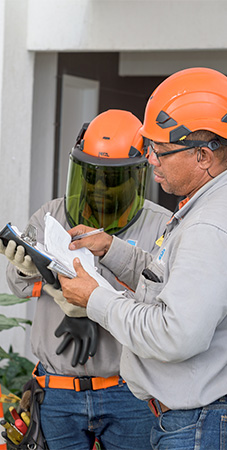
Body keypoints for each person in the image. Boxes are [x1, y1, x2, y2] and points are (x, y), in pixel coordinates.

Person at [57, 68, 227, 450]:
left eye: (161, 151)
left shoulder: (209, 226)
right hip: (193, 420)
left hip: (196, 425)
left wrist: (96, 300)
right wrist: (110, 248)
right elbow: (172, 279)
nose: (150, 160)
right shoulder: (206, 208)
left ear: (203, 155)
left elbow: (174, 334)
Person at [2, 109, 172, 450]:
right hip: (57, 393)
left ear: (138, 176)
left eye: (111, 180)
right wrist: (27, 268)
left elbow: (166, 305)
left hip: (129, 392)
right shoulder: (51, 215)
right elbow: (18, 285)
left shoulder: (162, 226)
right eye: (89, 176)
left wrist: (94, 303)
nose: (98, 188)